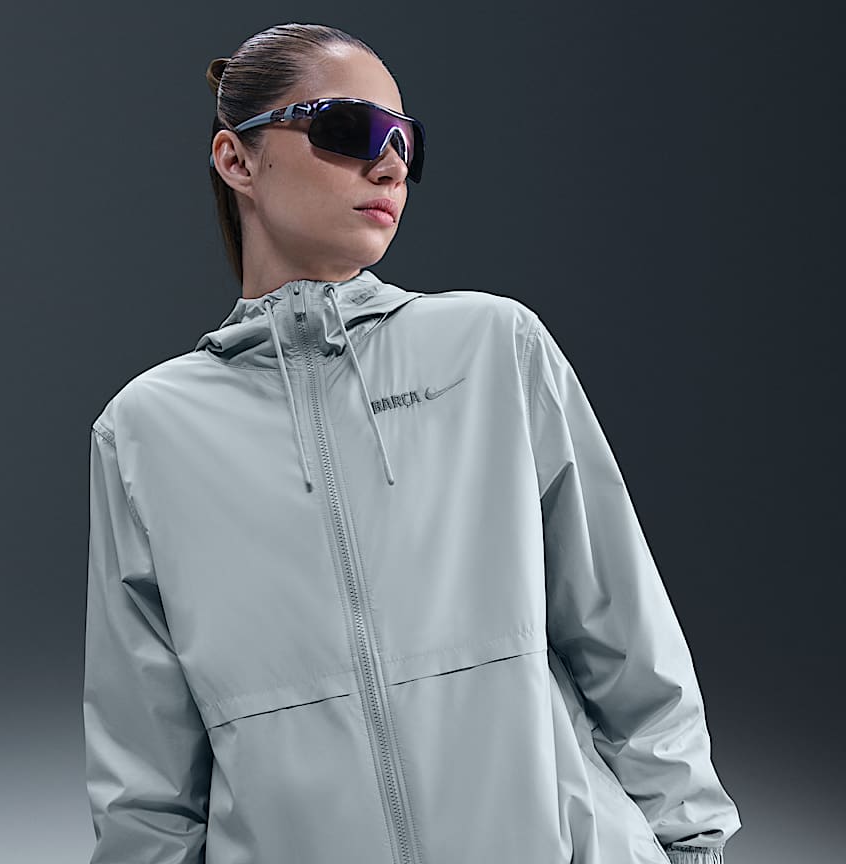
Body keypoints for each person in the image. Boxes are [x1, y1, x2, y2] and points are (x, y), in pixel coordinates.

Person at [83, 21, 741, 864]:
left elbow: (624, 632)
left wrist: (691, 844)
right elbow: (145, 768)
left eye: (406, 141)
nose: (390, 164)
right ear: (236, 160)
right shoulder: (146, 430)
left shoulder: (492, 347)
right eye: (349, 129)